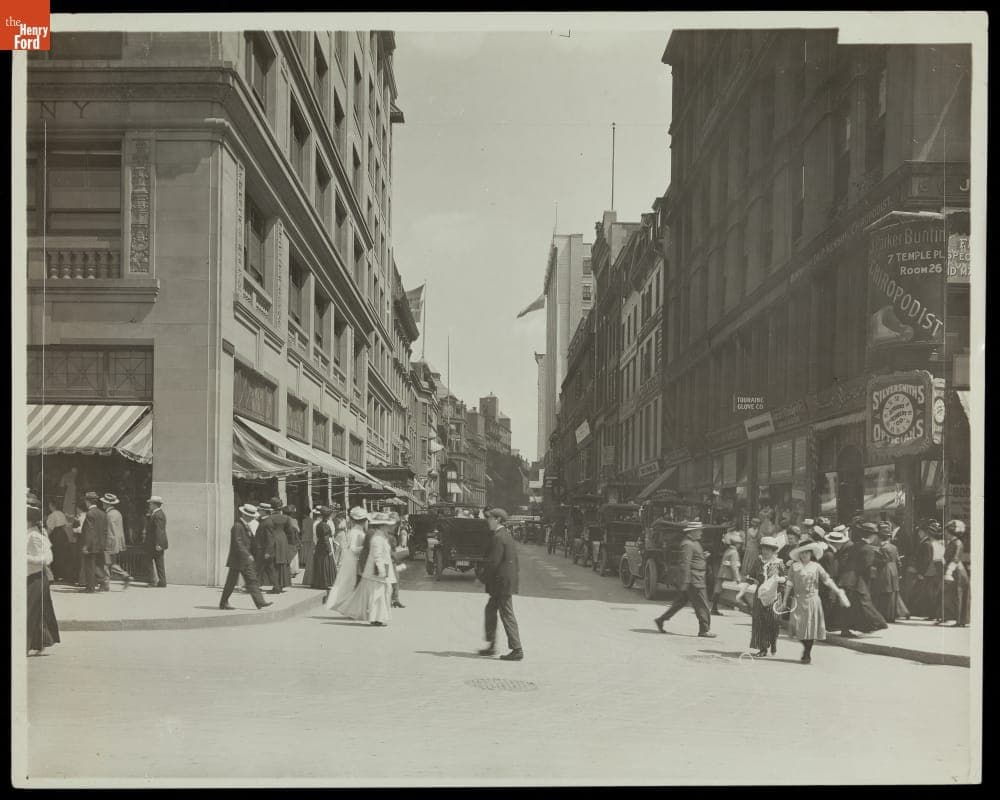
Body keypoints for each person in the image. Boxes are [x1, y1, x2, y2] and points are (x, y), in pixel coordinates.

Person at [783, 540, 850, 664]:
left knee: (811, 628)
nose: (804, 555)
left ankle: (807, 653)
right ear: (799, 554)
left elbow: (827, 580)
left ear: (811, 554)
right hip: (798, 600)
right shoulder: (794, 567)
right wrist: (784, 600)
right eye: (802, 553)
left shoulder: (816, 566)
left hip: (813, 600)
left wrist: (838, 591)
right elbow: (789, 583)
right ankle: (805, 647)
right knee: (798, 627)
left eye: (807, 553)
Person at [654, 522, 715, 638]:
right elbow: (685, 564)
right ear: (692, 532)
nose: (701, 532)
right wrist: (686, 582)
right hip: (694, 580)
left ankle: (661, 620)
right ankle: (704, 629)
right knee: (702, 605)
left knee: (679, 603)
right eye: (699, 530)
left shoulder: (694, 543)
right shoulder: (687, 544)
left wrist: (703, 556)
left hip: (696, 578)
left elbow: (693, 559)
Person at [332, 511, 394, 626]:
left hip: (374, 572)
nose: (388, 527)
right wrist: (381, 570)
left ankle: (376, 617)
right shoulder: (377, 538)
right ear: (381, 525)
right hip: (374, 572)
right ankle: (376, 618)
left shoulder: (380, 536)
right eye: (386, 524)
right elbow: (377, 556)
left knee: (376, 595)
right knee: (377, 595)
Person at [477, 508, 523, 660]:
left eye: (490, 519)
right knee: (490, 610)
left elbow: (493, 562)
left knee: (507, 614)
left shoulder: (498, 537)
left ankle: (517, 649)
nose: (487, 521)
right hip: (502, 582)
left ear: (497, 520)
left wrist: (482, 577)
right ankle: (491, 645)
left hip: (501, 583)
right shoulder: (505, 535)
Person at [836, 522, 888, 637]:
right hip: (857, 580)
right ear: (872, 536)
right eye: (874, 535)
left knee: (850, 605)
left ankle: (847, 629)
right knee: (864, 603)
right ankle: (876, 624)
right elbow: (866, 566)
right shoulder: (868, 549)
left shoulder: (855, 545)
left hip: (846, 578)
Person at [220, 505, 272, 610]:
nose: (252, 518)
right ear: (244, 515)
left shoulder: (244, 525)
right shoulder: (238, 526)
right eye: (250, 516)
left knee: (252, 580)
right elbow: (237, 542)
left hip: (244, 560)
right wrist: (247, 554)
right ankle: (223, 603)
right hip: (238, 559)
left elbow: (249, 542)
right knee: (231, 582)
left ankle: (260, 602)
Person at [27, 504, 61, 656]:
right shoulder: (27, 533)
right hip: (28, 578)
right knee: (36, 612)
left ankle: (24, 645)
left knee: (29, 612)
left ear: (29, 520)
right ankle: (41, 642)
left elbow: (48, 558)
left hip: (36, 579)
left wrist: (26, 558)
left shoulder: (35, 536)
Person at [745, 536, 785, 657]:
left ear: (774, 551)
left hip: (774, 596)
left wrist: (780, 583)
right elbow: (750, 576)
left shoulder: (779, 563)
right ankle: (763, 648)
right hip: (760, 596)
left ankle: (772, 643)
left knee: (772, 622)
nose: (766, 551)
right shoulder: (758, 561)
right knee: (760, 621)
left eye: (769, 549)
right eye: (764, 548)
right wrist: (754, 581)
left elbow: (786, 578)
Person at [325, 506, 369, 611]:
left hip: (357, 561)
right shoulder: (355, 532)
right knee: (356, 586)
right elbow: (353, 549)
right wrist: (366, 547)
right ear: (362, 521)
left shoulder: (358, 531)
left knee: (356, 586)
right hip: (355, 562)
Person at [260, 497, 297, 594]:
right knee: (282, 562)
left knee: (273, 563)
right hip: (283, 540)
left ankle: (275, 586)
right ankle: (281, 585)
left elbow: (266, 532)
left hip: (273, 540)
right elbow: (290, 532)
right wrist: (291, 545)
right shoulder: (286, 518)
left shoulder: (269, 519)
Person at [909, 520, 945, 620]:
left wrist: (921, 572)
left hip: (930, 570)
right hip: (934, 569)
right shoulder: (938, 543)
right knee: (931, 592)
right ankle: (932, 613)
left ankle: (932, 614)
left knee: (930, 593)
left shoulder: (928, 543)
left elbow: (927, 560)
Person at [873, 521, 907, 622]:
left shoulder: (882, 548)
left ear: (880, 537)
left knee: (884, 593)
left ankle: (885, 615)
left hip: (885, 571)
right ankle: (892, 616)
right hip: (894, 570)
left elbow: (882, 562)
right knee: (893, 593)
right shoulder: (894, 547)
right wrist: (899, 573)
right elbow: (898, 562)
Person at [941, 520, 970, 627]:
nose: (945, 533)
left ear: (951, 532)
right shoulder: (952, 543)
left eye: (947, 532)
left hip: (957, 571)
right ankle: (959, 620)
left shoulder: (957, 543)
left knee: (959, 595)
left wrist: (948, 572)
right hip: (955, 571)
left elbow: (955, 559)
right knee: (956, 595)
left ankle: (960, 620)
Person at [101, 493, 133, 588]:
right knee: (112, 563)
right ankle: (125, 576)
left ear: (107, 504)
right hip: (117, 543)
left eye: (103, 502)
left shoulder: (108, 515)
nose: (102, 504)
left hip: (109, 542)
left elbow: (110, 530)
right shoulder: (118, 513)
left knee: (106, 563)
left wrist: (106, 543)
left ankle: (105, 584)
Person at [80, 491, 110, 592]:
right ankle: (103, 583)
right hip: (101, 544)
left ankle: (90, 587)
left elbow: (89, 531)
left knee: (89, 566)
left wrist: (86, 546)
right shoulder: (103, 513)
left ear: (87, 501)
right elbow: (105, 531)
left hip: (91, 545)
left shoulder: (90, 514)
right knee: (98, 565)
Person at [45, 498, 77, 583]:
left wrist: (45, 537)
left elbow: (50, 528)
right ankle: (63, 575)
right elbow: (65, 525)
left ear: (52, 506)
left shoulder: (52, 515)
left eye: (49, 505)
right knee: (63, 555)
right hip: (63, 535)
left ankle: (56, 575)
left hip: (55, 535)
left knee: (55, 554)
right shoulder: (61, 513)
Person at [712, 530, 743, 616]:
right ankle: (747, 607)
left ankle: (714, 608)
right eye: (739, 543)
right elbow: (734, 566)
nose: (740, 545)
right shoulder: (734, 552)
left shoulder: (728, 550)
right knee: (740, 589)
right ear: (736, 544)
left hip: (722, 573)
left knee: (718, 590)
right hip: (727, 575)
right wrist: (737, 577)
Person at [310, 507, 337, 596]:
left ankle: (318, 582)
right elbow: (325, 539)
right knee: (325, 564)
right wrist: (329, 549)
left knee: (320, 564)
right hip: (324, 546)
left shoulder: (319, 524)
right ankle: (325, 583)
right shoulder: (325, 526)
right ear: (327, 517)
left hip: (319, 546)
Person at [142, 495, 168, 587]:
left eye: (150, 503)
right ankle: (162, 582)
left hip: (154, 544)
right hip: (155, 543)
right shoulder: (157, 514)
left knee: (148, 561)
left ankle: (152, 581)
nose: (149, 505)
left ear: (154, 504)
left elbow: (159, 530)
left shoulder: (158, 515)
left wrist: (158, 544)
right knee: (159, 563)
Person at [299, 505, 320, 585]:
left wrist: (301, 534)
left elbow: (303, 529)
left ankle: (303, 562)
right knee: (307, 550)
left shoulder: (304, 520)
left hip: (305, 537)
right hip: (310, 537)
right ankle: (305, 561)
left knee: (304, 550)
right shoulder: (312, 520)